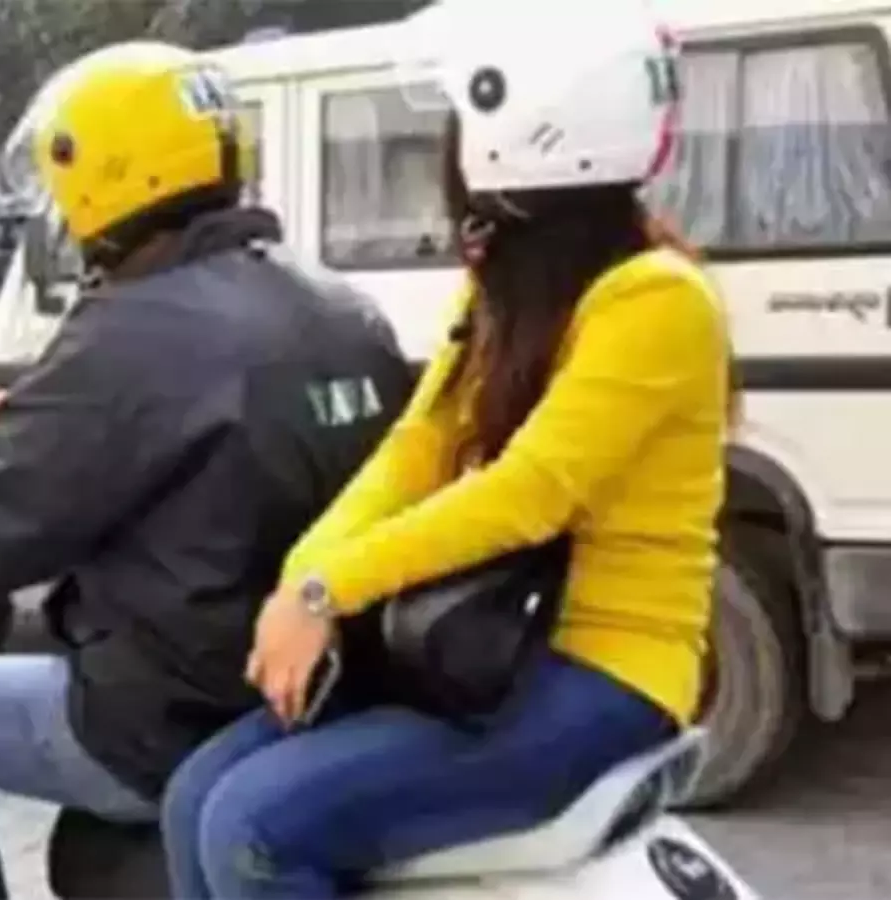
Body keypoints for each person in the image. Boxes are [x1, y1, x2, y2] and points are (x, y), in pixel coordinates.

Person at [0, 42, 416, 899]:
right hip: (318, 685)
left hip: (175, 713)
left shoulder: (130, 333)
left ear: (101, 175)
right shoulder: (338, 306)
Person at [160, 1, 734, 896]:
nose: (449, 149)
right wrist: (302, 581)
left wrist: (327, 590)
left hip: (606, 672)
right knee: (193, 795)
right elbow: (418, 445)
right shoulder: (508, 285)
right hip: (490, 650)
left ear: (519, 133)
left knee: (251, 826)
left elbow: (529, 492)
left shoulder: (658, 300)